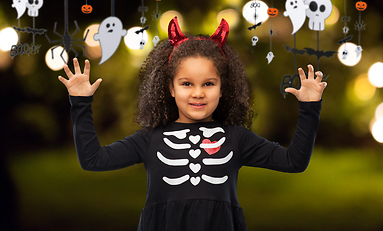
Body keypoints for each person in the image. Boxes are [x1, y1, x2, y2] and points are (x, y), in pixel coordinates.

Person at [59, 17, 326, 231]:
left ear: (223, 89)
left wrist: (310, 109)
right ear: (170, 88)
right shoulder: (149, 139)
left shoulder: (236, 137)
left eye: (208, 84)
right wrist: (80, 103)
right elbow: (93, 160)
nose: (198, 93)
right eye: (186, 83)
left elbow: (294, 162)